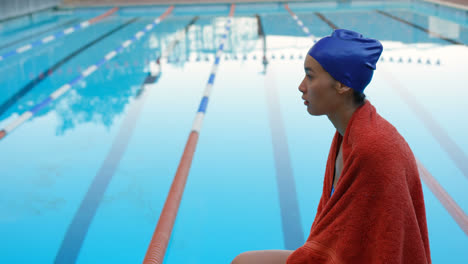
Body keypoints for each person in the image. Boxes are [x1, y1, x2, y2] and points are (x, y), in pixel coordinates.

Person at [231, 29, 431, 264]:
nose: (301, 86)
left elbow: (385, 247)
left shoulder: (374, 148)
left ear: (342, 85)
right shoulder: (348, 134)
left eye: (310, 76)